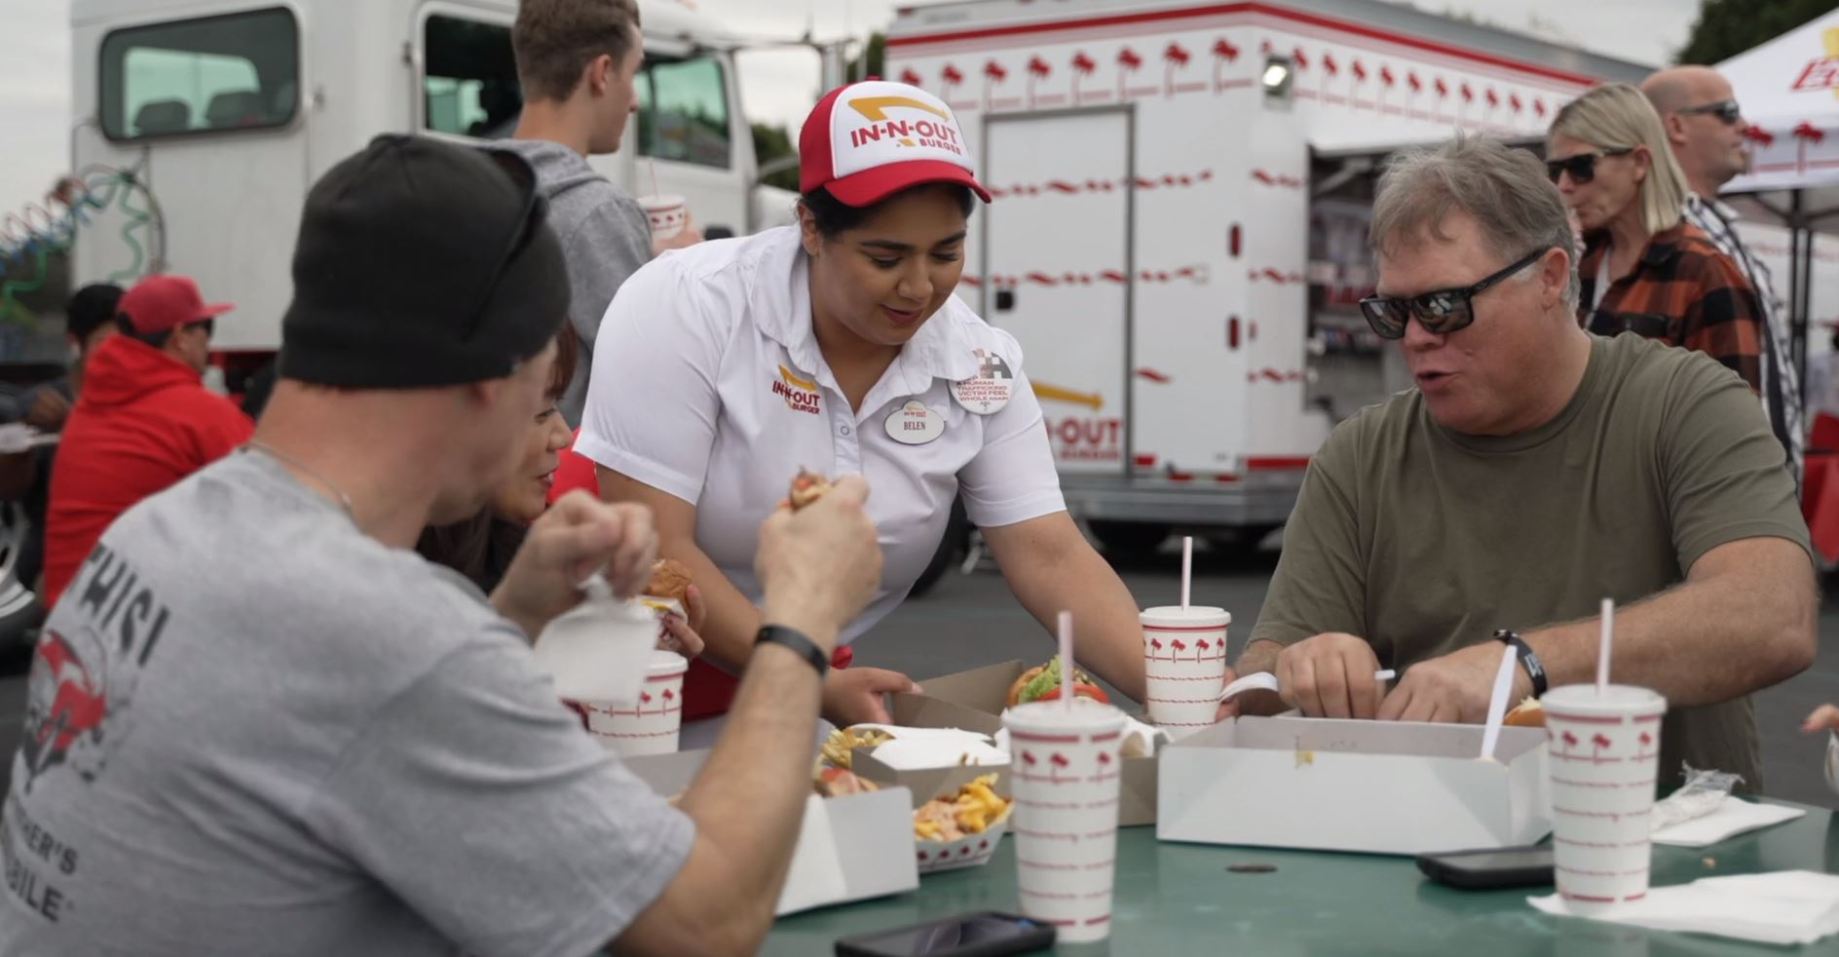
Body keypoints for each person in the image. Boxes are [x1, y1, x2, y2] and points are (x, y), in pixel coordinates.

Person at [0, 134, 884, 956]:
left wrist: (518, 610)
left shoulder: (166, 528)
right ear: (495, 372)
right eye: (547, 389)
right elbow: (706, 919)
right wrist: (799, 619)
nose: (557, 425)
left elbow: (347, 728)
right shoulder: (381, 631)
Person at [1225, 136, 1815, 791]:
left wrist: (1522, 664)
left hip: (1665, 852)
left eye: (1444, 304)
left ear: (1550, 277)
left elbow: (1772, 615)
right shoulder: (1359, 455)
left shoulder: (1685, 404)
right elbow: (1257, 681)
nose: (1416, 336)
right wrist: (1297, 667)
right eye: (1393, 311)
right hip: (1430, 855)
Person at [579, 79, 1151, 734]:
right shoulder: (686, 303)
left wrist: (1183, 685)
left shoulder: (979, 363)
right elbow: (659, 547)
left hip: (799, 688)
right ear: (810, 227)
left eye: (947, 252)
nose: (918, 287)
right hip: (620, 695)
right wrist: (810, 676)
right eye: (885, 257)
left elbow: (1048, 554)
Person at [413, 328, 704, 656]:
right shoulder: (390, 580)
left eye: (557, 405)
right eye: (540, 413)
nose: (564, 436)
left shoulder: (517, 547)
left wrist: (631, 656)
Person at [490, 0, 700, 426]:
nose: (635, 101)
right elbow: (652, 385)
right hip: (561, 483)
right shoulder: (599, 212)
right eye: (634, 72)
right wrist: (680, 278)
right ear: (603, 73)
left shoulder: (470, 184)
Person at [40, 274, 253, 609]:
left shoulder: (90, 407)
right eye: (205, 331)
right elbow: (269, 507)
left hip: (67, 621)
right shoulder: (202, 413)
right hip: (135, 630)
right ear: (180, 337)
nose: (208, 346)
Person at [1547, 84, 1768, 396]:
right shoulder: (1578, 263)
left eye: (1581, 167)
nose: (1564, 186)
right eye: (1555, 171)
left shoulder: (1704, 272)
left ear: (1639, 162)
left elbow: (1732, 423)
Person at [1643, 66, 1803, 481]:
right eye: (1728, 112)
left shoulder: (1714, 225)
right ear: (1676, 125)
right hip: (1719, 494)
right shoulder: (1660, 230)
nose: (1744, 126)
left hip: (1758, 492)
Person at [0, 284, 122, 593]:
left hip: (123, 553)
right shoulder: (39, 407)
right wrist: (21, 444)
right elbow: (11, 490)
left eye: (127, 344)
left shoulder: (137, 401)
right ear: (75, 343)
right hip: (55, 554)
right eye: (104, 343)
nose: (118, 355)